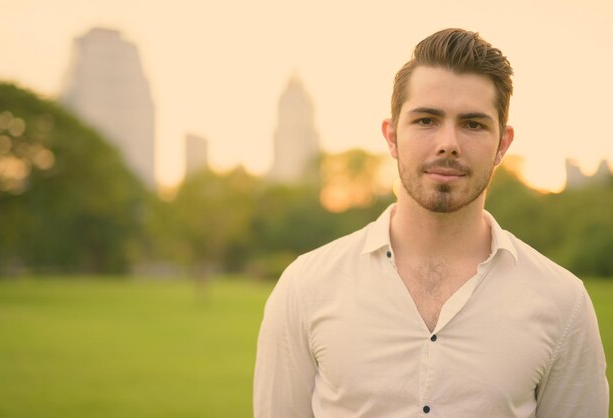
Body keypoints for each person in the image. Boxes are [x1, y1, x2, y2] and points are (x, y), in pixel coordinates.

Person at [253, 28, 609, 417]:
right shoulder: (306, 286)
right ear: (391, 136)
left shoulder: (563, 303)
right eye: (426, 120)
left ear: (502, 145)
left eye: (473, 124)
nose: (448, 143)